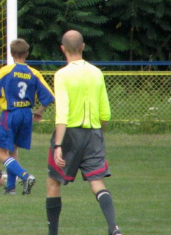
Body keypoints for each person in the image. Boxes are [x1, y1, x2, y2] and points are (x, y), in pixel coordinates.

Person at [46, 30, 121, 235]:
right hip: (94, 132)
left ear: (62, 49)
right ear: (83, 46)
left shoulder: (62, 75)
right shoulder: (97, 72)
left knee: (53, 182)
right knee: (97, 182)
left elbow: (62, 112)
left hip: (69, 134)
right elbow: (105, 112)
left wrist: (59, 145)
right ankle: (113, 228)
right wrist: (98, 133)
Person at [0, 38, 54, 195]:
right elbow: (49, 96)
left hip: (11, 113)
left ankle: (25, 176)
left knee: (0, 151)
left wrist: (4, 93)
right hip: (26, 114)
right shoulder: (34, 73)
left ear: (11, 53)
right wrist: (40, 110)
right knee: (13, 151)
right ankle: (11, 187)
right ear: (27, 54)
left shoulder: (6, 71)